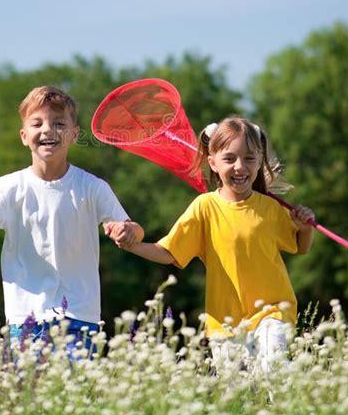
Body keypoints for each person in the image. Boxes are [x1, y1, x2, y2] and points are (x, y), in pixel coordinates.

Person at [0, 85, 144, 351]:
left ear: (74, 134)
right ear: (23, 135)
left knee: (74, 392)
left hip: (79, 316)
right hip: (26, 319)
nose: (47, 130)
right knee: (31, 392)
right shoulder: (7, 188)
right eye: (37, 123)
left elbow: (134, 229)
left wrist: (129, 231)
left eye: (59, 123)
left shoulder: (92, 187)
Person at [113, 117, 314, 372]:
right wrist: (133, 246)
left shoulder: (271, 208)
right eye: (229, 159)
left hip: (273, 313)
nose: (240, 166)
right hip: (225, 322)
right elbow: (168, 252)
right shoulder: (204, 207)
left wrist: (305, 227)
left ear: (259, 162)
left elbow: (301, 246)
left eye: (250, 158)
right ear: (213, 163)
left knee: (273, 370)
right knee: (238, 399)